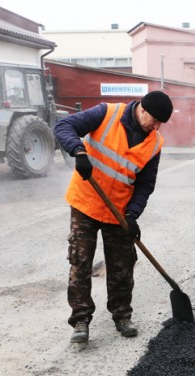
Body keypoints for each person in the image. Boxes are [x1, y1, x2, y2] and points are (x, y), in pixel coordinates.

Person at [54, 90, 174, 344]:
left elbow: (145, 184)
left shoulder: (154, 143)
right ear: (142, 109)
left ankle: (122, 315)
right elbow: (65, 126)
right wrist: (79, 152)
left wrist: (133, 214)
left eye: (161, 123)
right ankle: (81, 319)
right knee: (81, 261)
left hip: (118, 210)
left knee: (122, 264)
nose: (157, 126)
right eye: (154, 120)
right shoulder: (107, 113)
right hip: (86, 202)